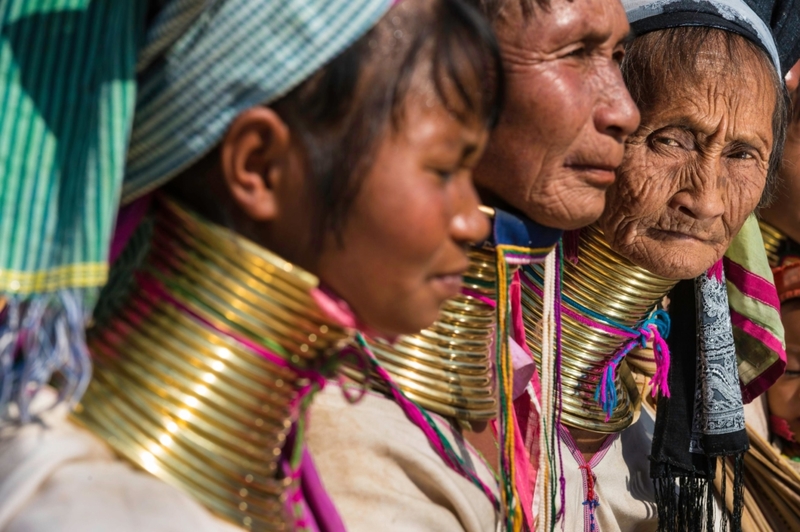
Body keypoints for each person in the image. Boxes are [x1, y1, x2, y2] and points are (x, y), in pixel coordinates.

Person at [0, 0, 504, 530]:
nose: (474, 220)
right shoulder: (86, 511)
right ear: (259, 166)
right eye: (445, 169)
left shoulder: (269, 484)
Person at [306, 0, 640, 530]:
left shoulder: (521, 375)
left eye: (618, 54)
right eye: (576, 52)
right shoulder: (341, 422)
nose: (626, 111)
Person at [522, 1, 799, 530]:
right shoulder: (458, 395)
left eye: (742, 154)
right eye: (671, 140)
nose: (707, 200)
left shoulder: (660, 459)